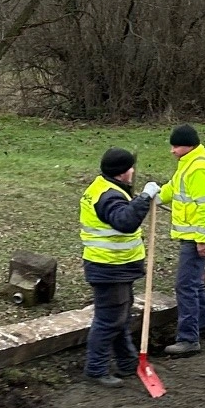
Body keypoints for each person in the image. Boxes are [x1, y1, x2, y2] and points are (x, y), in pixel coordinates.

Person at [79, 148, 160, 387]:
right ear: (122, 172)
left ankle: (127, 362)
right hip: (109, 268)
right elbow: (124, 221)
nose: (133, 171)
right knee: (109, 320)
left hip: (115, 267)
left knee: (121, 318)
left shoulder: (104, 187)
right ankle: (95, 369)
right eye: (130, 168)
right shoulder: (108, 196)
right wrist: (144, 198)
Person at [157, 125, 205, 357]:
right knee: (193, 282)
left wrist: (202, 240)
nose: (172, 151)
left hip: (199, 239)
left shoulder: (201, 168)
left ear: (190, 145)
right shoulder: (189, 163)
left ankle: (188, 339)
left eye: (176, 146)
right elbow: (174, 188)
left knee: (184, 285)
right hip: (195, 236)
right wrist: (151, 198)